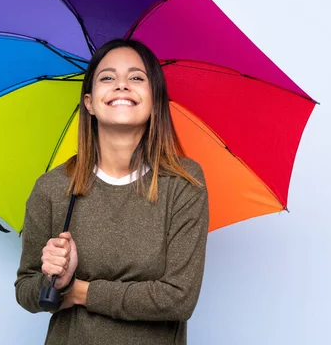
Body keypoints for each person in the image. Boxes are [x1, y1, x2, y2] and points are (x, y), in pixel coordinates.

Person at [15, 38, 209, 345]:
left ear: (155, 98)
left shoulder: (184, 183)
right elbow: (26, 291)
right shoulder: (52, 188)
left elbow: (178, 299)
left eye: (136, 77)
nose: (121, 85)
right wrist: (56, 280)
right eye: (107, 78)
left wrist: (80, 291)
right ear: (89, 103)